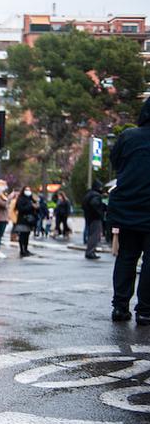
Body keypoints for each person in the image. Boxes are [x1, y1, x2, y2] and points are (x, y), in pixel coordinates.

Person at [108, 97, 150, 325]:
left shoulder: (129, 136)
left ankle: (120, 307)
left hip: (127, 207)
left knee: (126, 257)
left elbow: (115, 162)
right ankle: (145, 310)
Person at [82, 179, 106, 260]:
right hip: (95, 218)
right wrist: (100, 212)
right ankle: (90, 252)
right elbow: (95, 204)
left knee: (91, 235)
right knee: (95, 235)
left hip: (89, 217)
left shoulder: (88, 194)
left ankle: (90, 251)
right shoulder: (96, 195)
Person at [15, 186, 38, 257]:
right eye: (26, 190)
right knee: (22, 235)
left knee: (27, 235)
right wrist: (31, 206)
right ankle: (22, 250)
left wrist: (36, 207)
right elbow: (20, 209)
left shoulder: (31, 199)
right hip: (22, 219)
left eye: (29, 189)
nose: (28, 191)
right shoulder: (20, 199)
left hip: (30, 220)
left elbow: (36, 208)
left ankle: (26, 249)